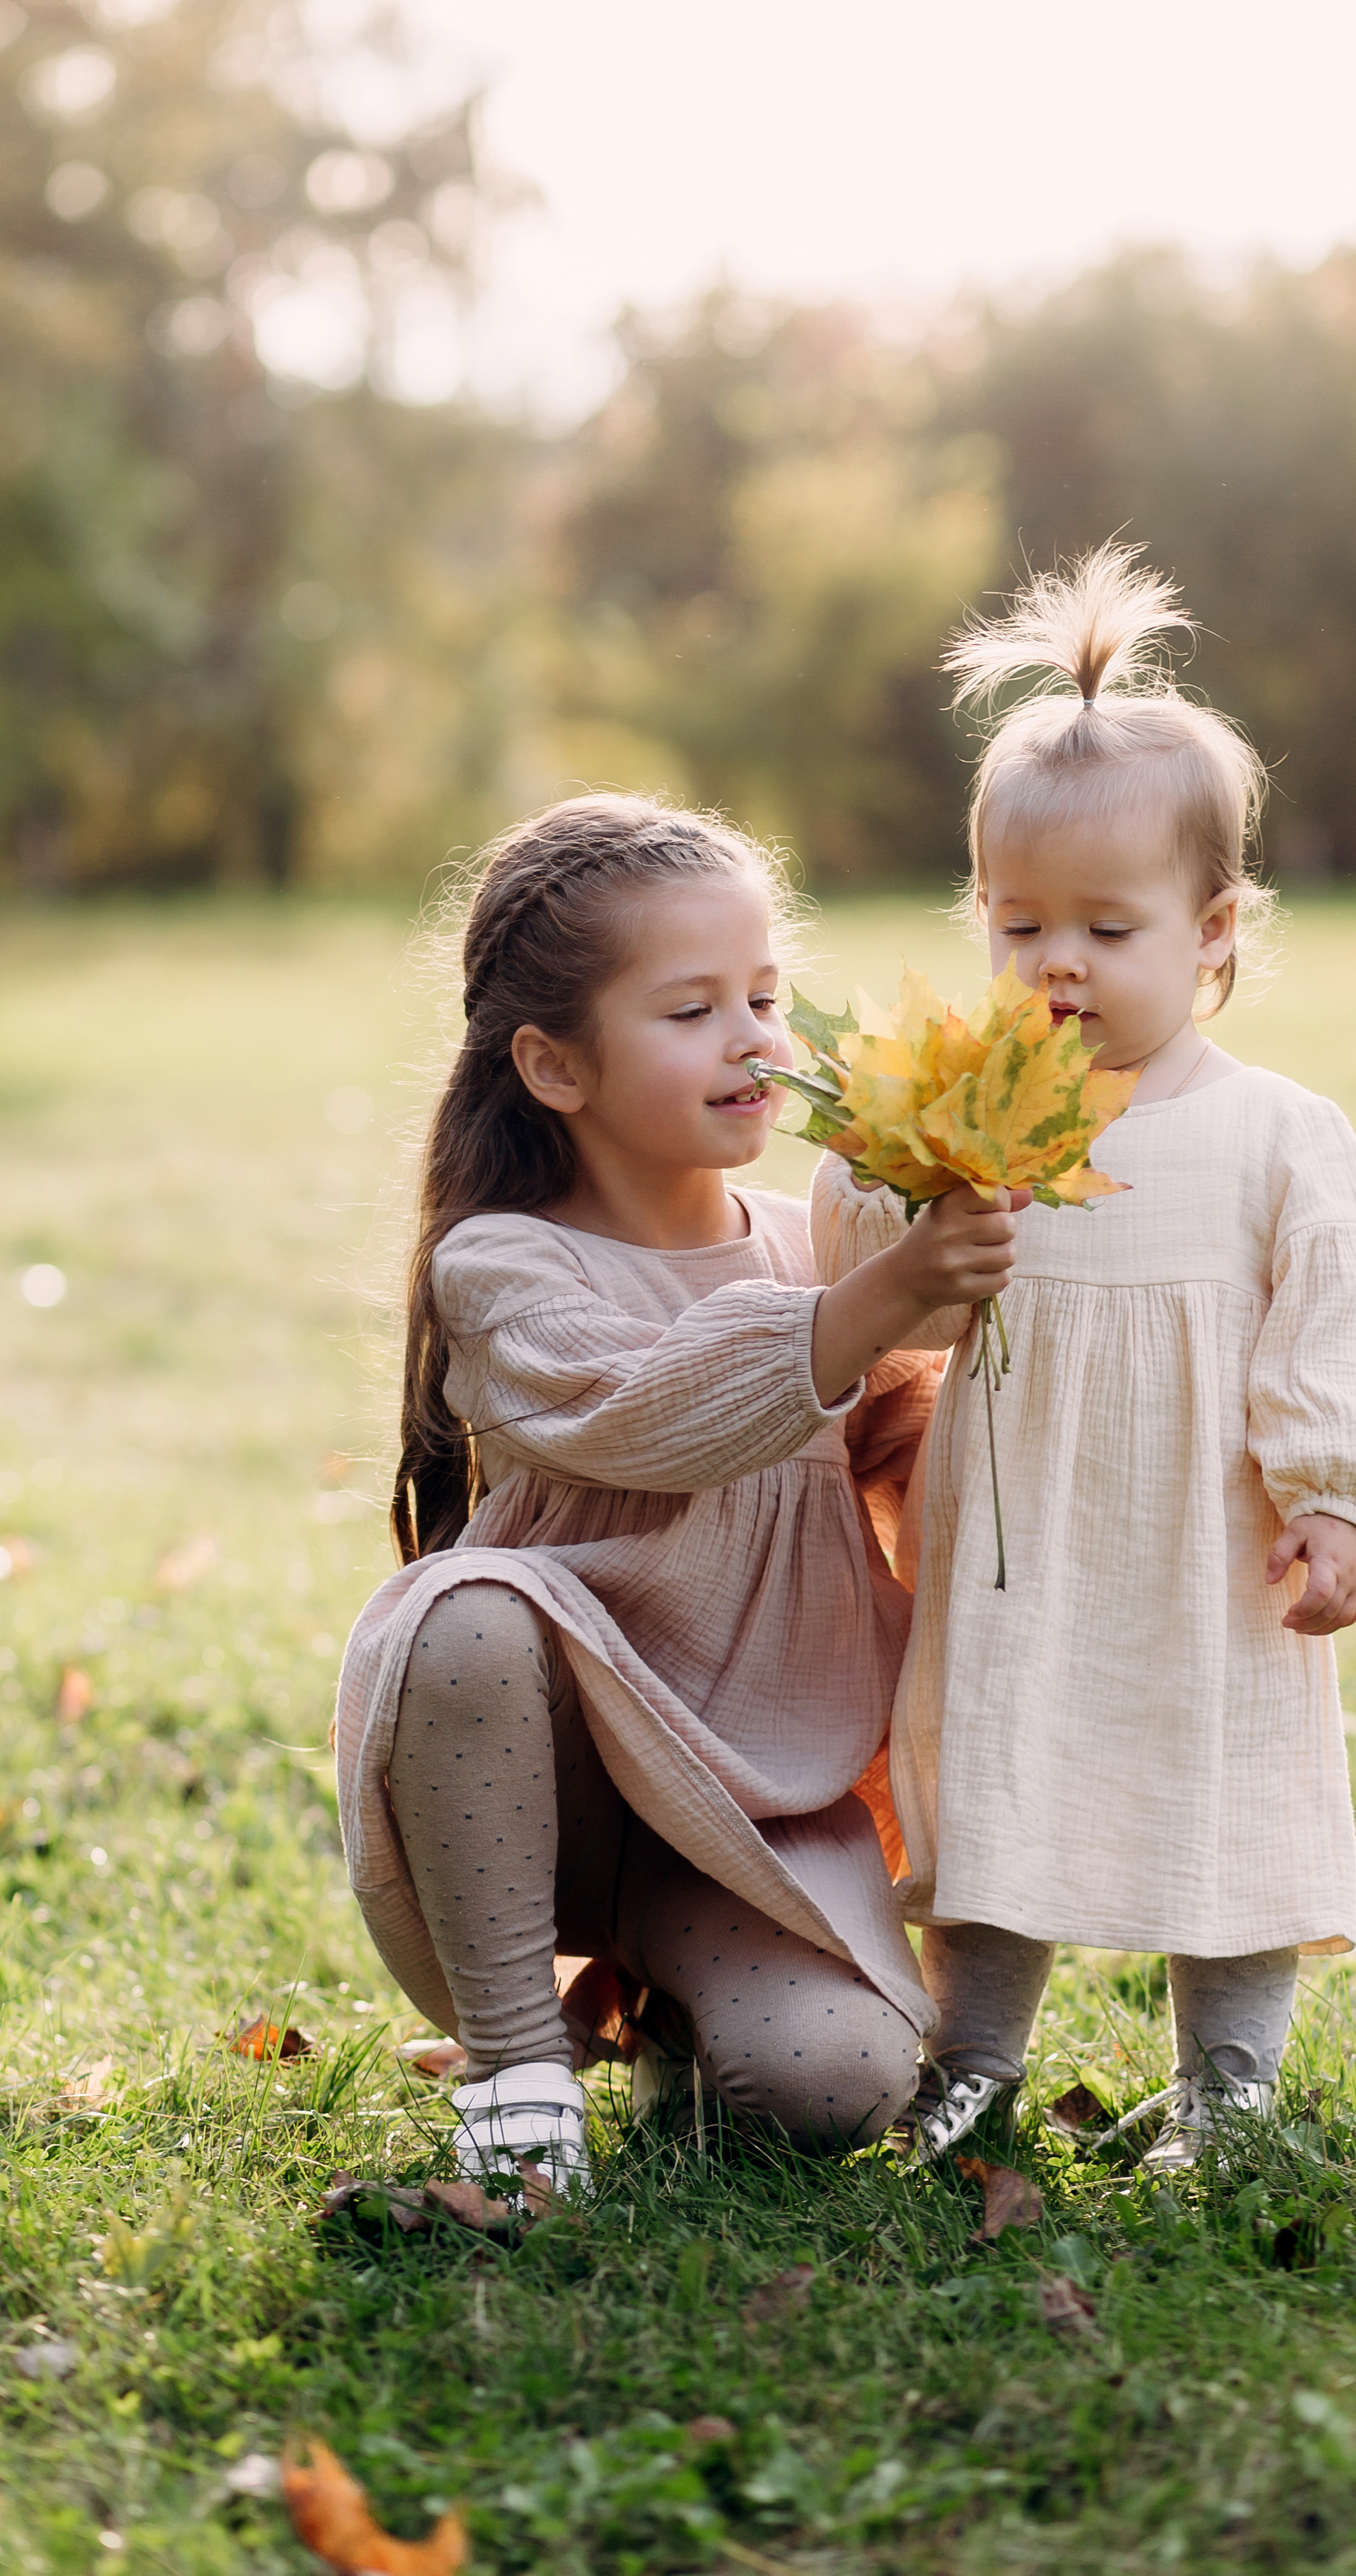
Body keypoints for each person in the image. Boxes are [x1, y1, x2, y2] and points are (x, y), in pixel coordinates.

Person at [812, 547, 1356, 2171]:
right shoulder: (974, 1115)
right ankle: (971, 2061)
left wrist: (1338, 1501)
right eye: (1020, 926)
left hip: (1207, 1545)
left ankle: (1226, 2079)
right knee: (998, 1775)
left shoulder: (1273, 1130)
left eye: (1106, 924)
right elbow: (878, 1285)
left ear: (1212, 929)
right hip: (1016, 1542)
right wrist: (887, 1169)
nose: (1057, 962)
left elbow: (1340, 1318)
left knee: (1215, 1780)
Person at [332, 793, 1019, 2199]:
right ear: (555, 1066)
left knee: (835, 2090)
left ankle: (670, 2000)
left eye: (764, 994)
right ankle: (520, 2069)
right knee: (463, 1612)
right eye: (691, 1008)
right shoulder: (506, 1270)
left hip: (750, 1804)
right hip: (554, 1786)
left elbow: (910, 1454)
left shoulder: (812, 1249)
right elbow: (658, 1413)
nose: (755, 1039)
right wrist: (869, 1302)